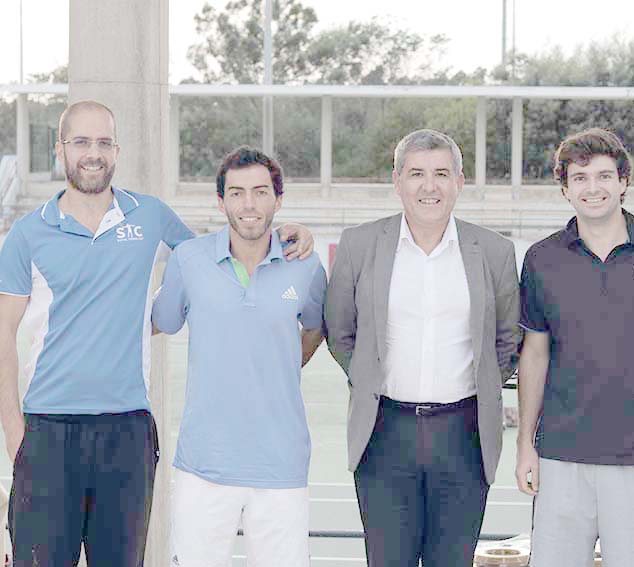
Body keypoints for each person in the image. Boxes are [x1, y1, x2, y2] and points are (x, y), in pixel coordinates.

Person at [0, 100, 312, 566]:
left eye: (103, 142)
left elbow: (218, 256)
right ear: (60, 149)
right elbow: (3, 336)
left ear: (117, 151)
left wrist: (284, 231)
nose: (93, 153)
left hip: (128, 432)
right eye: (81, 142)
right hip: (47, 432)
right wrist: (16, 437)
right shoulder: (28, 234)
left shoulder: (149, 216)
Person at [324, 128, 520, 567]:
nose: (429, 186)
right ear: (397, 181)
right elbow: (340, 331)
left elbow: (508, 340)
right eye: (416, 173)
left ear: (459, 182)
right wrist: (369, 379)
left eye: (441, 173)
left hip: (464, 436)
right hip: (384, 432)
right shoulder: (359, 245)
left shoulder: (494, 251)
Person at [515, 127, 634, 567]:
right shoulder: (542, 258)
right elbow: (535, 353)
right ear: (565, 188)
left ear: (623, 181)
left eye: (603, 176)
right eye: (579, 178)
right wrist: (525, 443)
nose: (592, 187)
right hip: (560, 452)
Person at [152, 146, 325, 567]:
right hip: (203, 466)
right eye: (237, 193)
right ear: (221, 201)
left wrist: (279, 363)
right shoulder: (189, 260)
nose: (249, 204)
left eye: (261, 192)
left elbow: (316, 327)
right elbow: (160, 321)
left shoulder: (305, 264)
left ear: (278, 200)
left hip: (281, 465)